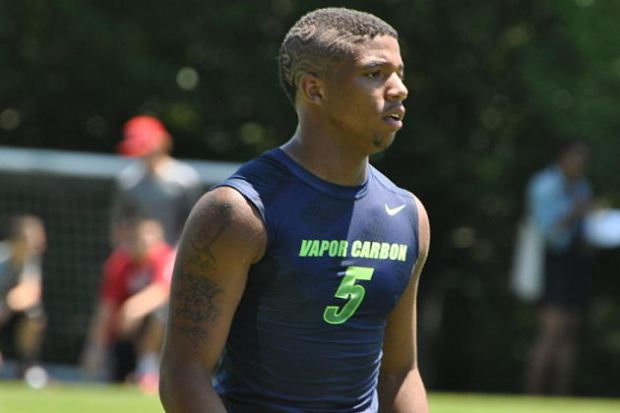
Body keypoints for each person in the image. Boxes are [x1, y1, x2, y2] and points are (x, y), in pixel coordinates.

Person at [160, 7, 430, 413]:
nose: (399, 89)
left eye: (399, 73)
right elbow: (184, 375)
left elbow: (400, 373)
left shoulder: (407, 215)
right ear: (314, 89)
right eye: (375, 73)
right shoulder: (238, 213)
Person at [524, 140, 593, 395]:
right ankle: (532, 396)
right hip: (552, 261)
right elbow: (548, 231)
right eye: (577, 158)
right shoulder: (544, 184)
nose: (581, 164)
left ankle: (560, 398)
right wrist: (575, 213)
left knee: (570, 332)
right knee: (551, 331)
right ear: (563, 157)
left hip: (576, 262)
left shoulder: (582, 185)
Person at [82, 218, 174, 393]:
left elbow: (163, 291)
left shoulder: (166, 257)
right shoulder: (120, 262)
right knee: (115, 379)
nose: (142, 245)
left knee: (161, 313)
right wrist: (95, 348)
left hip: (164, 335)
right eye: (138, 239)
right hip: (125, 332)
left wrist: (133, 307)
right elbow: (106, 307)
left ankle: (148, 369)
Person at [110, 114, 202, 247]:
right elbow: (120, 223)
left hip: (177, 253)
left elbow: (194, 223)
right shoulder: (128, 180)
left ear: (163, 142)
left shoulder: (185, 179)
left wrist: (177, 253)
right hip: (137, 254)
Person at [0, 215, 47, 375]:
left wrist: (8, 304)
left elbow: (31, 293)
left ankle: (27, 367)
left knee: (34, 317)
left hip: (8, 312)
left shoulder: (31, 261)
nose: (38, 245)